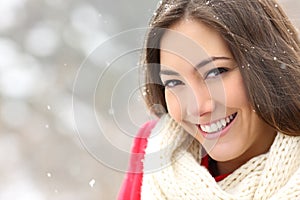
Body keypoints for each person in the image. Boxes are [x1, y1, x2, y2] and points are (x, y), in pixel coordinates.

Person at [118, 0, 300, 199]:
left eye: (215, 72)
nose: (196, 107)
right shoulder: (155, 151)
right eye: (173, 83)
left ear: (265, 64)